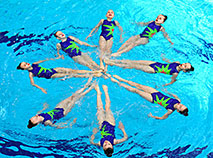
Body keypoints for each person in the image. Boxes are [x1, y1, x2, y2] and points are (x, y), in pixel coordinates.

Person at [27, 77, 95, 129]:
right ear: (37, 123)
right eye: (35, 118)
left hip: (58, 108)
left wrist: (45, 107)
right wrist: (70, 123)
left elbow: (41, 111)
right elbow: (57, 126)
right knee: (75, 99)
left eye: (33, 117)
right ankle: (90, 88)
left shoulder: (38, 114)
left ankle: (86, 85)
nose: (36, 116)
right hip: (63, 113)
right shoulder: (46, 122)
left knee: (72, 96)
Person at [110, 75, 189, 120]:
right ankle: (122, 79)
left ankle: (117, 82)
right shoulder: (178, 100)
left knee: (137, 91)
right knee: (139, 85)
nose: (180, 104)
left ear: (178, 111)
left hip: (153, 99)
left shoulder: (170, 110)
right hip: (157, 93)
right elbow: (174, 95)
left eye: (180, 106)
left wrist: (152, 116)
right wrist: (165, 90)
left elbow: (162, 118)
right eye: (182, 105)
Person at [17, 58, 102, 94]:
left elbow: (44, 60)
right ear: (24, 69)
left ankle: (93, 72)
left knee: (73, 71)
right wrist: (41, 88)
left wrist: (55, 58)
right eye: (24, 65)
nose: (26, 64)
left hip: (53, 69)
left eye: (25, 63)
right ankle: (91, 75)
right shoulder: (31, 73)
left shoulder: (34, 64)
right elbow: (32, 83)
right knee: (72, 75)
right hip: (52, 75)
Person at [90, 84, 128, 157]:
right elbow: (125, 138)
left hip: (101, 125)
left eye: (105, 145)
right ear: (112, 146)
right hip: (111, 124)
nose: (107, 142)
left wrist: (93, 134)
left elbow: (91, 142)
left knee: (99, 108)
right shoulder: (114, 141)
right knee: (107, 108)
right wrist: (122, 129)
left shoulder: (99, 143)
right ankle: (106, 91)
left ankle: (98, 92)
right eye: (109, 144)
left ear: (103, 148)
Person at [105, 58, 194, 86]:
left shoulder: (175, 73)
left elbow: (172, 80)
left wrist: (164, 85)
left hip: (154, 70)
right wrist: (164, 58)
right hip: (155, 63)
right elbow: (169, 62)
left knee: (134, 66)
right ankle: (115, 60)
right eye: (185, 63)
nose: (184, 64)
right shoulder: (177, 62)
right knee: (135, 61)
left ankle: (113, 64)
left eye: (185, 66)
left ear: (185, 70)